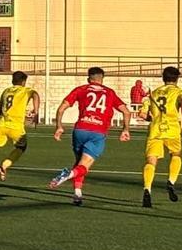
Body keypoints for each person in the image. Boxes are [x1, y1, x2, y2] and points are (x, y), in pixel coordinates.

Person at [50, 67, 130, 206]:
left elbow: (62, 107)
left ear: (89, 79)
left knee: (79, 163)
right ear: (102, 79)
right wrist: (125, 129)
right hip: (97, 132)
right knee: (84, 166)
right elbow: (126, 112)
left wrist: (59, 126)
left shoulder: (81, 89)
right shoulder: (110, 93)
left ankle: (77, 194)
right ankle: (66, 175)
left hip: (80, 130)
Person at [137, 66, 182, 207]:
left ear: (163, 78)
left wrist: (150, 118)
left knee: (151, 161)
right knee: (176, 154)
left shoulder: (153, 93)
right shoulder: (179, 91)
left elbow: (142, 114)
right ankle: (171, 181)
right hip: (172, 128)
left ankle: (147, 188)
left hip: (155, 130)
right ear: (177, 79)